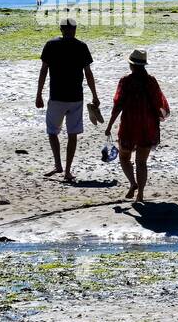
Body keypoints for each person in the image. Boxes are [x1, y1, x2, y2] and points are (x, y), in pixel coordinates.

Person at [36, 18, 101, 184]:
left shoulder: (51, 45)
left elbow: (43, 71)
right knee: (72, 134)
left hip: (57, 97)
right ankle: (67, 170)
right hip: (75, 98)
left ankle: (59, 165)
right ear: (74, 29)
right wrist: (94, 95)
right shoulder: (81, 46)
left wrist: (39, 94)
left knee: (52, 132)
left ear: (61, 29)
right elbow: (88, 73)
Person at [105, 49, 169, 202]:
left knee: (124, 157)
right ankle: (140, 194)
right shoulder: (151, 81)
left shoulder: (125, 81)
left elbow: (117, 106)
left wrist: (109, 126)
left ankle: (132, 183)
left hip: (129, 125)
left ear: (131, 65)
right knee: (142, 162)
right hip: (148, 126)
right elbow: (159, 103)